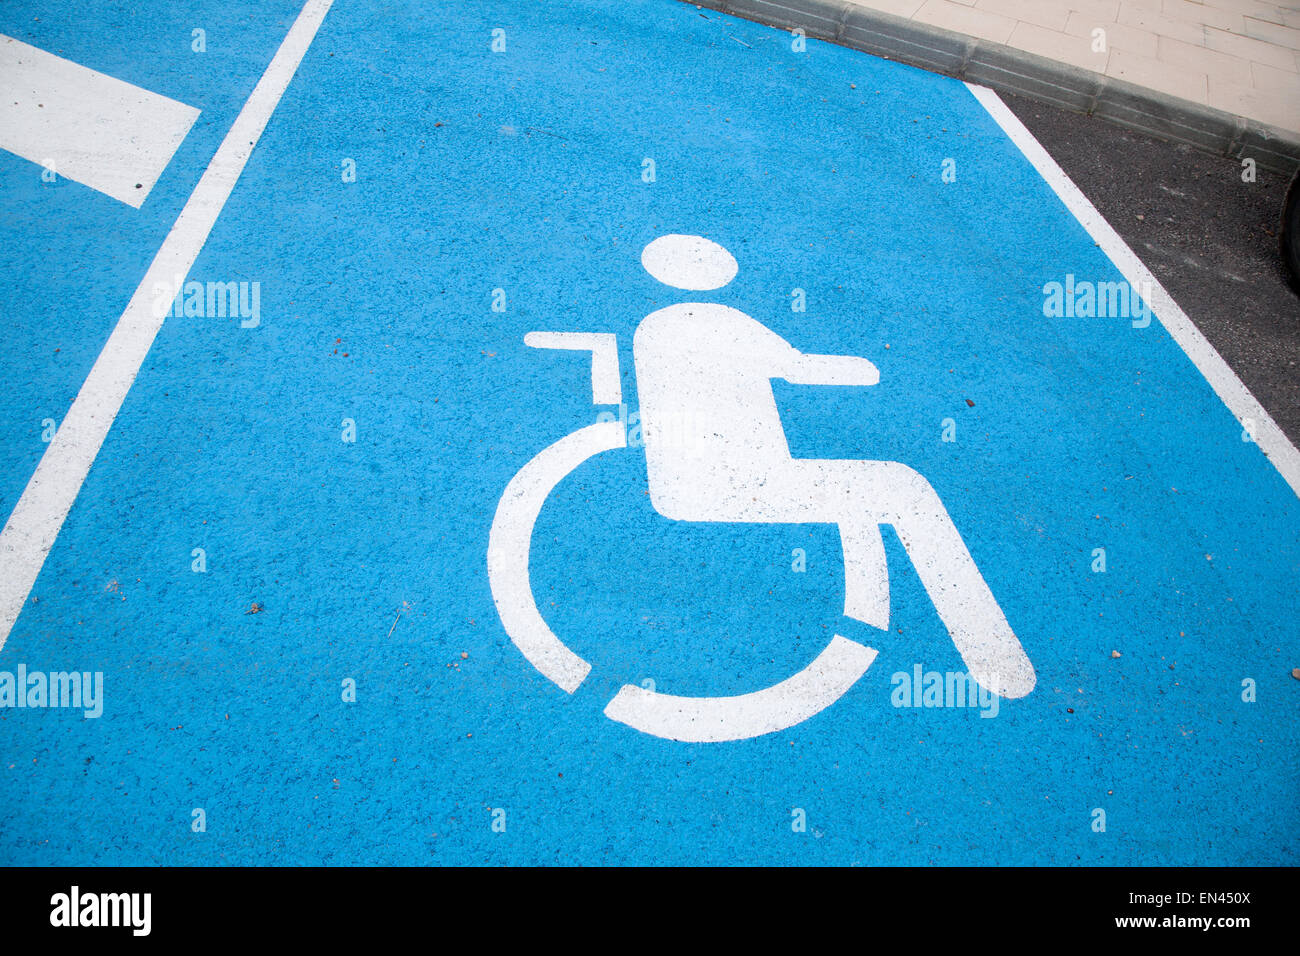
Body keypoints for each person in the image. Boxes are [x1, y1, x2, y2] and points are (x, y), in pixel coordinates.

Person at [633, 234, 1036, 699]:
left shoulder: (654, 325)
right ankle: (992, 654)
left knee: (876, 490)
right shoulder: (725, 322)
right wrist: (861, 369)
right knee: (906, 490)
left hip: (679, 482)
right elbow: (800, 369)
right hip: (743, 481)